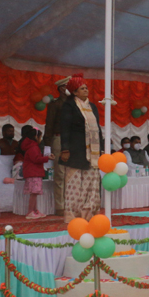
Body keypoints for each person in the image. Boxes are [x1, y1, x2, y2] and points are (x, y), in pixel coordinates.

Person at [58, 74, 101, 223]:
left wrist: (100, 149)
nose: (86, 90)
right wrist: (65, 149)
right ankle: (72, 215)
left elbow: (98, 129)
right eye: (82, 88)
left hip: (92, 153)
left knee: (91, 182)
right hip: (75, 150)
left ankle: (89, 214)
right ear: (74, 92)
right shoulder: (69, 105)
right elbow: (65, 128)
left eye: (86, 88)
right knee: (74, 184)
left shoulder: (93, 106)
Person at [43, 76, 70, 217]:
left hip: (73, 141)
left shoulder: (76, 103)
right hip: (59, 138)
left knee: (72, 173)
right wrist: (47, 145)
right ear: (61, 88)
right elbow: (49, 124)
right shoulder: (55, 104)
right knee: (60, 173)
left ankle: (71, 203)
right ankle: (60, 206)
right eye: (67, 86)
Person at [18, 125, 50, 219]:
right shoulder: (33, 147)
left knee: (34, 193)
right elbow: (36, 159)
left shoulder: (32, 147)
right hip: (34, 173)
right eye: (40, 137)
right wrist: (47, 158)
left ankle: (35, 211)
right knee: (34, 193)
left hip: (33, 173)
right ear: (36, 137)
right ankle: (30, 212)